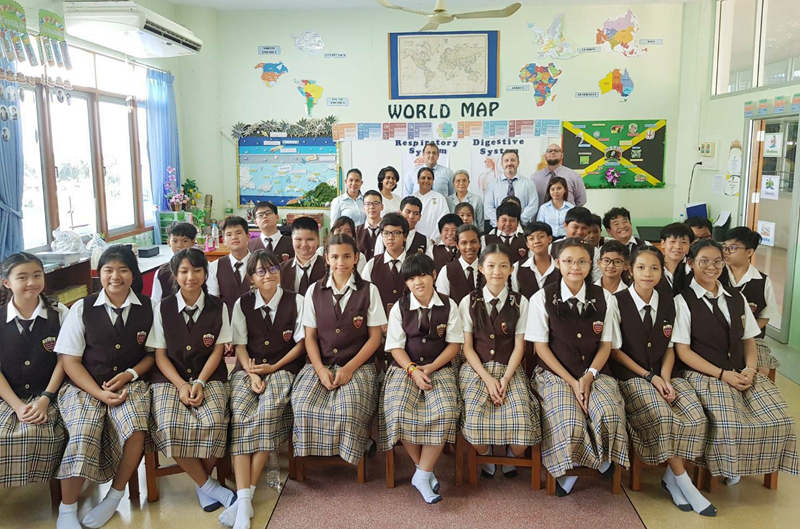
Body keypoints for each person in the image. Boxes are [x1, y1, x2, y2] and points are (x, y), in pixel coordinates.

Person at [673, 240, 798, 485]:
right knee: (730, 422)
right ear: (690, 263)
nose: (712, 267)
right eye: (704, 261)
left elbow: (748, 340)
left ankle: (752, 464)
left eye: (717, 262)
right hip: (705, 373)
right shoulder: (682, 301)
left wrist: (751, 369)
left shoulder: (736, 298)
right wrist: (722, 374)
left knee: (780, 418)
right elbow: (684, 352)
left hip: (741, 370)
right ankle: (730, 466)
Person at [610, 247, 715, 516]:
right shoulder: (615, 301)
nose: (648, 273)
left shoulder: (670, 302)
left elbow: (670, 347)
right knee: (663, 416)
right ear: (630, 270)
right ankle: (684, 483)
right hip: (632, 377)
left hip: (666, 373)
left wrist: (665, 378)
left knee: (696, 416)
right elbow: (615, 351)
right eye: (641, 267)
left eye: (654, 268)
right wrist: (650, 377)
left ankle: (670, 477)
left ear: (661, 272)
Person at [55, 246, 155, 529]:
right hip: (84, 385)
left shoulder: (149, 307)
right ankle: (67, 508)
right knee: (83, 429)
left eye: (123, 270)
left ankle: (114, 496)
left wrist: (129, 374)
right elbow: (69, 361)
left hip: (130, 383)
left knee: (135, 427)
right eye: (108, 270)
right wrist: (98, 393)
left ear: (134, 274)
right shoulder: (82, 308)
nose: (115, 276)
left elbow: (152, 355)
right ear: (99, 274)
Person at [527, 238, 628, 497]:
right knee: (569, 418)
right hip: (554, 373)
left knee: (608, 411)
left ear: (590, 264)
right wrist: (573, 382)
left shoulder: (605, 298)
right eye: (569, 261)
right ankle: (595, 463)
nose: (575, 266)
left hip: (595, 371)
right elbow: (541, 348)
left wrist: (589, 375)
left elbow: (606, 345)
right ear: (558, 263)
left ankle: (577, 468)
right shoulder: (542, 297)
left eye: (582, 261)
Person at [147, 249, 234, 515]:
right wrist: (182, 385)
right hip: (169, 378)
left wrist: (201, 382)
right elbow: (160, 355)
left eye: (197, 270)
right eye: (183, 271)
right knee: (169, 424)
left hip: (209, 375)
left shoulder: (218, 306)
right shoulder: (162, 308)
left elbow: (218, 350)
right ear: (174, 275)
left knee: (217, 421)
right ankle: (209, 485)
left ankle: (201, 484)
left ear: (205, 273)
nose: (190, 277)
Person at [224, 250, 306, 529]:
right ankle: (244, 499)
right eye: (260, 271)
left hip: (283, 369)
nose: (268, 275)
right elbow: (240, 345)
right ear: (251, 278)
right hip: (248, 369)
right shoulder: (242, 303)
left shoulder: (297, 301)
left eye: (272, 269)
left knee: (267, 413)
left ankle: (244, 499)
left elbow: (301, 345)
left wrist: (273, 368)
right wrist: (251, 374)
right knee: (240, 414)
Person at [291, 234, 387, 466]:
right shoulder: (314, 290)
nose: (340, 262)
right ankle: (316, 453)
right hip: (320, 362)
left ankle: (354, 447)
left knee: (348, 409)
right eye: (334, 257)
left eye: (346, 256)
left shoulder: (369, 290)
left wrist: (350, 368)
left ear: (356, 258)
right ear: (326, 258)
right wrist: (320, 370)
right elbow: (310, 337)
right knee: (302, 405)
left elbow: (375, 338)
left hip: (358, 364)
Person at [379, 254, 463, 503]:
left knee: (446, 410)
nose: (418, 282)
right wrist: (413, 370)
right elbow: (395, 347)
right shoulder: (400, 307)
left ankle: (422, 473)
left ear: (434, 275)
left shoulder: (449, 305)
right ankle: (424, 471)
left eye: (423, 275)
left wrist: (432, 367)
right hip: (405, 368)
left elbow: (454, 344)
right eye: (411, 278)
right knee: (397, 409)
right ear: (406, 282)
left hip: (440, 368)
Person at [459, 245, 539, 479]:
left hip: (509, 368)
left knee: (522, 419)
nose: (497, 271)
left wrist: (505, 378)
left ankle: (512, 457)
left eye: (503, 266)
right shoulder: (468, 301)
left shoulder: (520, 302)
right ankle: (485, 457)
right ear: (481, 268)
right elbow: (467, 347)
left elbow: (519, 346)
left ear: (511, 270)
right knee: (474, 417)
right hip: (477, 369)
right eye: (491, 266)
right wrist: (487, 378)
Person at [0, 253, 69, 489]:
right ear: (6, 282)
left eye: (37, 275)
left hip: (51, 393)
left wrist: (45, 398)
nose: (31, 282)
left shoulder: (59, 313)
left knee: (42, 430)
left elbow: (64, 360)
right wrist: (17, 406)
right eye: (22, 277)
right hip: (8, 395)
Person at [722, 227, 781, 375]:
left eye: (733, 248)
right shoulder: (716, 274)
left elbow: (765, 316)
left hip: (752, 338)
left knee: (761, 371)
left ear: (749, 252)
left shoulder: (762, 281)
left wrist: (746, 333)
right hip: (719, 336)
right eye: (725, 247)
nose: (726, 252)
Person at [363, 213, 409, 319]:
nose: (390, 237)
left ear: (405, 236)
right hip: (379, 321)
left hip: (409, 321)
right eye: (386, 233)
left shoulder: (416, 263)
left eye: (396, 233)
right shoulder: (372, 264)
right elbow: (365, 296)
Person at [207, 216, 251, 316]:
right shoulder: (215, 266)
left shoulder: (259, 263)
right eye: (229, 234)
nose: (234, 237)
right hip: (227, 319)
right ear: (223, 240)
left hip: (256, 319)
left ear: (248, 236)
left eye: (238, 233)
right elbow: (214, 300)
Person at [484, 150, 539, 226]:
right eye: (506, 161)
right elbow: (488, 207)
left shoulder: (529, 184)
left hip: (522, 227)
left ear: (518, 163)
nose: (509, 163)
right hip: (498, 227)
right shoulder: (492, 185)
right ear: (502, 164)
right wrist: (501, 222)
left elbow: (533, 206)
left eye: (513, 160)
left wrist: (518, 221)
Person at [549, 207, 601, 282]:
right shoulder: (553, 247)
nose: (579, 232)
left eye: (584, 228)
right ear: (565, 225)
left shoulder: (594, 251)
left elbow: (596, 279)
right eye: (575, 227)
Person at [511, 222, 560, 299]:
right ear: (527, 244)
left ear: (550, 239)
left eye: (541, 236)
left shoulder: (560, 266)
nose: (537, 241)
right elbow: (515, 295)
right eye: (531, 238)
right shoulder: (517, 267)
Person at [152, 221, 196, 303]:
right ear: (169, 242)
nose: (179, 245)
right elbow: (156, 301)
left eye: (185, 241)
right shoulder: (162, 272)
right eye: (175, 241)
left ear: (193, 242)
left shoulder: (204, 267)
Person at [530, 144, 587, 208]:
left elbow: (581, 200)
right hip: (542, 214)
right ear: (545, 156)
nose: (553, 152)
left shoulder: (573, 176)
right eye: (550, 151)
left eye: (556, 151)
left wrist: (570, 211)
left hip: (567, 213)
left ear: (562, 155)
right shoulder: (535, 178)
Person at [436, 224, 481, 304]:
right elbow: (443, 304)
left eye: (473, 242)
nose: (469, 247)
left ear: (479, 243)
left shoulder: (488, 268)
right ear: (457, 245)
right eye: (464, 243)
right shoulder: (446, 271)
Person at [281, 216, 325, 296]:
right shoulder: (281, 269)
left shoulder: (328, 267)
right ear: (292, 239)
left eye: (310, 239)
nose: (304, 244)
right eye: (298, 239)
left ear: (318, 240)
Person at [413, 166, 451, 240]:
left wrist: (434, 239)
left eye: (429, 178)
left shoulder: (439, 198)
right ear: (418, 180)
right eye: (423, 178)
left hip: (434, 240)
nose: (426, 180)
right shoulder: (412, 198)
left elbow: (444, 221)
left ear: (433, 181)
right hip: (414, 239)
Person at [658, 222, 694, 295]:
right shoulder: (654, 267)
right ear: (663, 243)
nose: (677, 247)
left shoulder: (694, 269)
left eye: (683, 242)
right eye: (672, 241)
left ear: (690, 245)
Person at [356, 190, 383, 261]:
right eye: (368, 204)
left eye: (376, 203)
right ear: (363, 207)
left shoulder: (388, 230)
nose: (372, 207)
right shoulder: (356, 231)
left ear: (382, 207)